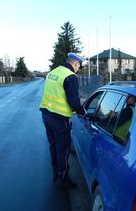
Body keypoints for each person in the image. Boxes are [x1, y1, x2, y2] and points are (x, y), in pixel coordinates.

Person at [40, 53, 86, 189]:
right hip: (60, 119)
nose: (78, 69)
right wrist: (83, 112)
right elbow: (74, 101)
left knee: (53, 146)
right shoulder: (70, 76)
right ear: (76, 64)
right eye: (79, 66)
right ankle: (63, 179)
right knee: (63, 150)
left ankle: (56, 174)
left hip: (46, 114)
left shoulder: (53, 72)